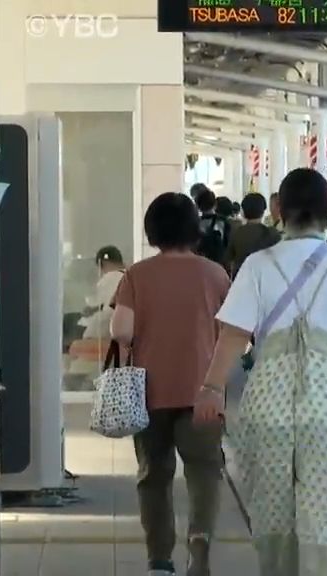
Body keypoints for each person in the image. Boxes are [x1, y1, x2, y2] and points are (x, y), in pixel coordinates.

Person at [195, 168, 327, 575]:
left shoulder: (257, 264)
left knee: (272, 515)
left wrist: (212, 387)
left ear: (280, 210)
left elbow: (234, 334)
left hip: (267, 406)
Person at [109, 193, 231, 576]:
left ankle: (160, 560)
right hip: (204, 392)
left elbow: (122, 331)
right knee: (205, 471)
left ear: (153, 230)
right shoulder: (215, 274)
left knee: (153, 475)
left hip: (149, 393)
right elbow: (233, 333)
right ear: (194, 229)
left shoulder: (136, 275)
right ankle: (199, 542)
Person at [225, 193, 282, 278]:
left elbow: (228, 260)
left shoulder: (236, 233)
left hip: (242, 278)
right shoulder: (272, 233)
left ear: (243, 212)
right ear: (263, 211)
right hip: (266, 278)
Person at [194, 188, 230, 268]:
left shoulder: (194, 223)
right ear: (215, 204)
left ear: (198, 206)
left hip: (200, 263)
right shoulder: (223, 222)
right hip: (219, 263)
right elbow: (227, 244)